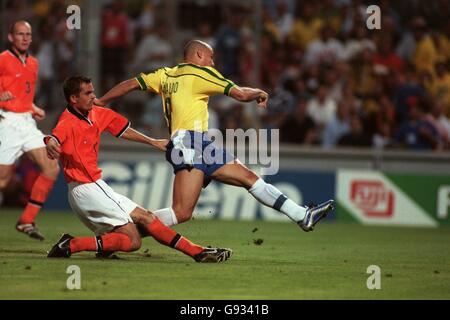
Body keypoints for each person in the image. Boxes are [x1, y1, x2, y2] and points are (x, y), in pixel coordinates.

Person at [96, 40, 334, 232]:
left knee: (249, 178)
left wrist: (103, 100)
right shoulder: (202, 73)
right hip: (189, 143)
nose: (213, 62)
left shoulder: (165, 75)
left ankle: (302, 215)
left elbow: (130, 84)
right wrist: (260, 92)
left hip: (199, 144)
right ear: (199, 55)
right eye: (211, 57)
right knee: (181, 212)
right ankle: (124, 231)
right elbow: (240, 94)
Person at [45, 76, 231, 263]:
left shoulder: (97, 113)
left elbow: (123, 129)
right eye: (88, 93)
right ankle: (72, 245)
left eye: (93, 91)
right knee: (133, 241)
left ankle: (197, 252)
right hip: (86, 188)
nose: (94, 96)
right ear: (73, 99)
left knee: (147, 218)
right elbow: (55, 136)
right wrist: (50, 142)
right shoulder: (67, 121)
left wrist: (152, 142)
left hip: (96, 187)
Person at [0, 21, 60, 240]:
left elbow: (24, 92)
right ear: (10, 37)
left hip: (27, 122)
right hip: (7, 123)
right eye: (20, 34)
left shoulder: (33, 63)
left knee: (51, 167)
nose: (25, 38)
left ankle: (27, 220)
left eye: (28, 34)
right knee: (3, 181)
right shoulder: (3, 59)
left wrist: (33, 107)